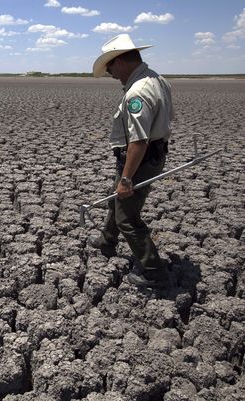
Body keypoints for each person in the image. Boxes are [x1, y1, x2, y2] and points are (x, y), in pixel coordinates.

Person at [90, 34, 174, 288]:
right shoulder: (157, 79)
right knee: (117, 199)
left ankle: (153, 272)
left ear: (122, 61)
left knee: (127, 216)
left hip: (140, 160)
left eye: (111, 67)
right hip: (149, 156)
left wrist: (126, 178)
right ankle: (107, 241)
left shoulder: (137, 92)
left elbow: (139, 140)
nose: (111, 74)